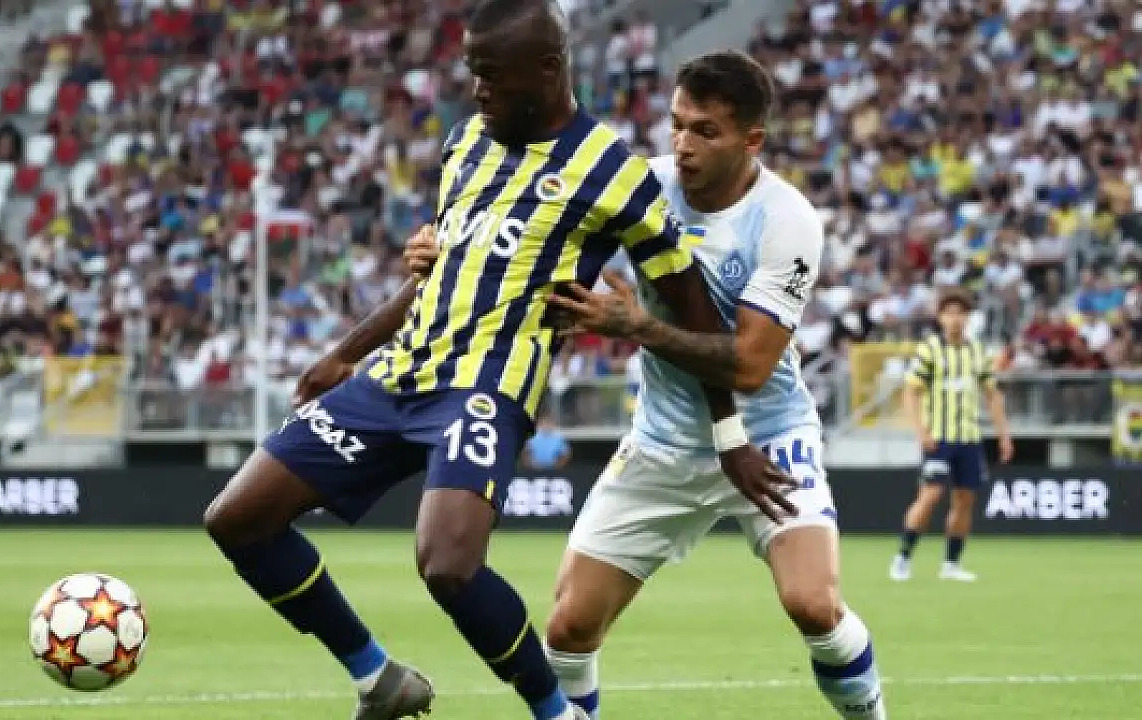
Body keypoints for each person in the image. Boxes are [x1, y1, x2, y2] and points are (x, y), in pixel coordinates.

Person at [202, 3, 791, 720]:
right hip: (397, 376)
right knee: (237, 518)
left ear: (547, 69)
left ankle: (556, 713)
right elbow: (443, 271)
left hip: (485, 389)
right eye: (472, 71)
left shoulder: (614, 174)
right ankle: (378, 680)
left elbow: (692, 307)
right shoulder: (466, 143)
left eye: (491, 74)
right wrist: (345, 353)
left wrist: (729, 435)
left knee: (448, 566)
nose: (477, 88)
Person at [406, 49, 889, 720]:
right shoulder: (641, 188)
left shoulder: (786, 220)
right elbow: (535, 256)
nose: (684, 144)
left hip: (768, 437)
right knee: (568, 629)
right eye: (678, 124)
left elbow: (750, 365)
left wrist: (637, 326)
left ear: (751, 140)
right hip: (662, 443)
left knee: (814, 605)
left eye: (706, 131)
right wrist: (449, 253)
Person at [890, 289, 1013, 583]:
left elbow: (992, 395)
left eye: (961, 313)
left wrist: (1003, 435)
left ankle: (951, 564)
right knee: (931, 495)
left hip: (969, 437)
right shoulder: (930, 350)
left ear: (968, 317)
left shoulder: (978, 351)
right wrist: (920, 430)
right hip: (938, 437)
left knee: (964, 500)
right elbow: (911, 392)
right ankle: (903, 557)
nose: (955, 319)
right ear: (940, 317)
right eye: (950, 313)